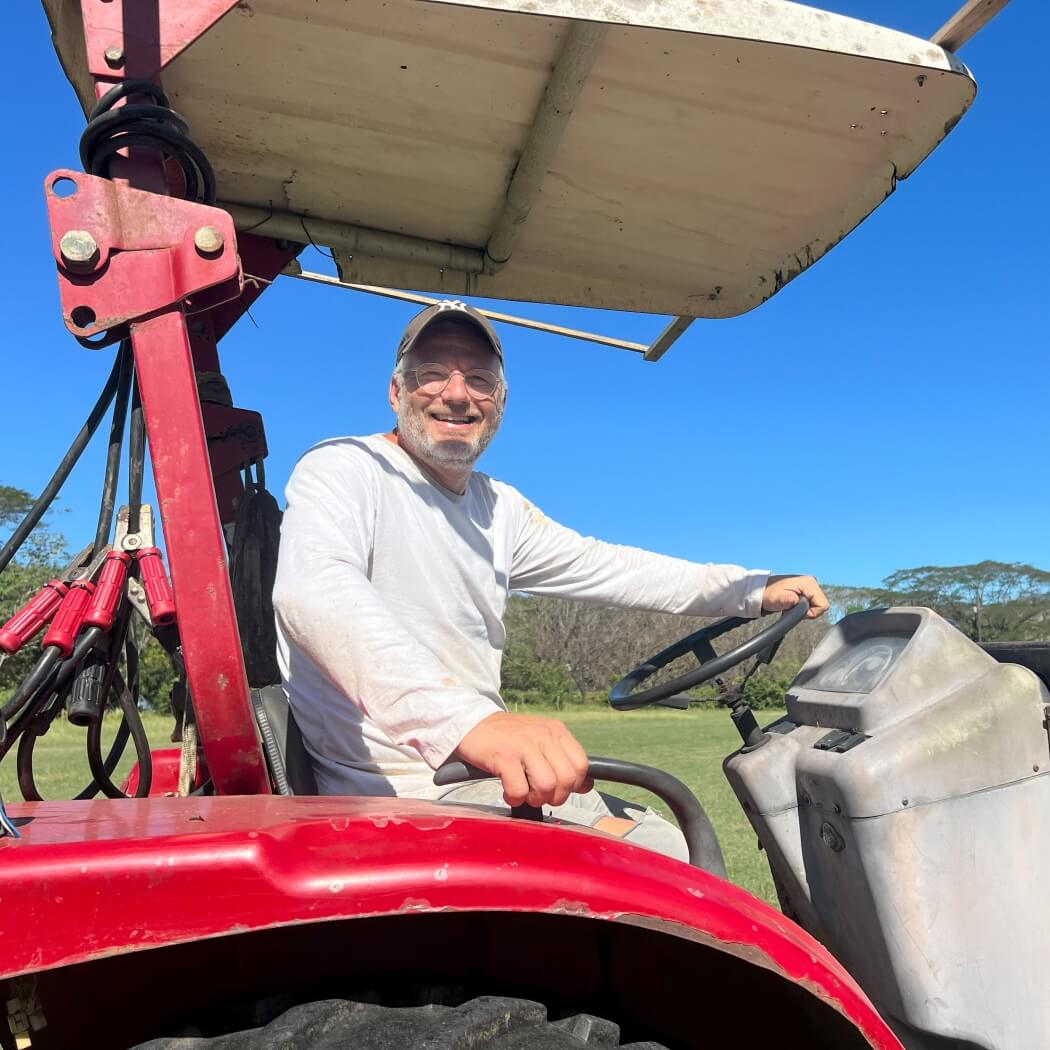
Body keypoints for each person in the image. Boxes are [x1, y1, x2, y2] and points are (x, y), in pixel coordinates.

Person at [272, 300, 828, 861]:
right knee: (668, 859)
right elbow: (315, 591)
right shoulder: (345, 469)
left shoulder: (498, 509)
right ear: (396, 392)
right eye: (432, 373)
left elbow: (615, 567)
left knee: (673, 834)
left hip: (480, 773)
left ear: (502, 402)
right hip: (407, 791)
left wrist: (751, 589)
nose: (458, 394)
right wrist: (473, 724)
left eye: (480, 380)